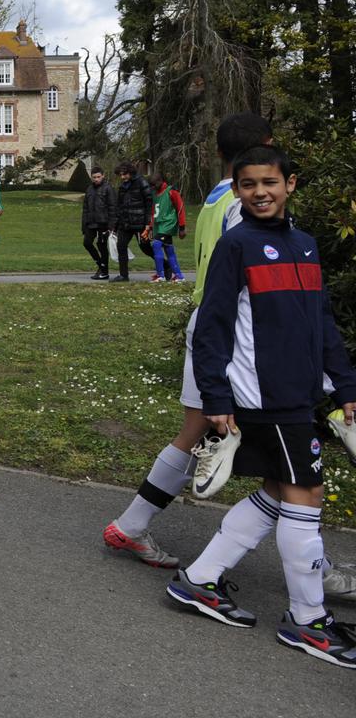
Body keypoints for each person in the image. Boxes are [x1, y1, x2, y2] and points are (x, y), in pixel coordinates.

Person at [167, 144, 356, 668]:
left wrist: (345, 385)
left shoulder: (305, 245)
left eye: (269, 182)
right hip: (263, 396)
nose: (260, 192)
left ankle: (200, 580)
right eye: (248, 184)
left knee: (278, 489)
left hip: (299, 393)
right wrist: (215, 397)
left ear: (289, 184)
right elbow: (212, 328)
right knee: (307, 493)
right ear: (237, 189)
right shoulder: (237, 245)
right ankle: (308, 620)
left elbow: (322, 323)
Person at [102, 113, 271, 566]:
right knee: (283, 438)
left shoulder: (216, 196)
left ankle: (131, 526)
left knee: (195, 432)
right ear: (267, 147)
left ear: (218, 153)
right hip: (235, 328)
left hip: (208, 321)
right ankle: (305, 562)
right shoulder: (246, 203)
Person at [111, 161, 154, 283]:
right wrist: (116, 224)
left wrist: (147, 223)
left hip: (140, 223)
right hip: (125, 223)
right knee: (121, 246)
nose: (122, 177)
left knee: (145, 248)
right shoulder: (122, 187)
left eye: (124, 174)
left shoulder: (141, 182)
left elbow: (149, 203)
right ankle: (123, 275)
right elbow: (119, 206)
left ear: (130, 172)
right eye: (120, 175)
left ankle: (166, 267)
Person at [81, 166, 117, 280]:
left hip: (103, 223)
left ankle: (104, 272)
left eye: (98, 177)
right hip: (90, 222)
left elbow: (113, 208)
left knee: (101, 246)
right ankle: (101, 265)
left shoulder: (108, 188)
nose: (96, 179)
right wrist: (84, 225)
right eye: (94, 177)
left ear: (103, 176)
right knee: (87, 243)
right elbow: (85, 208)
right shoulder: (89, 189)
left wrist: (111, 226)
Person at [150, 172, 187, 282]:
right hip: (159, 225)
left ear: (160, 181)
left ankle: (160, 275)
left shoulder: (171, 191)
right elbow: (153, 211)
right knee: (168, 249)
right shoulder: (155, 194)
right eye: (151, 185)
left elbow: (180, 208)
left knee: (156, 244)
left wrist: (182, 227)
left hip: (168, 224)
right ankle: (179, 276)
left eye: (154, 184)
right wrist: (151, 227)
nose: (152, 187)